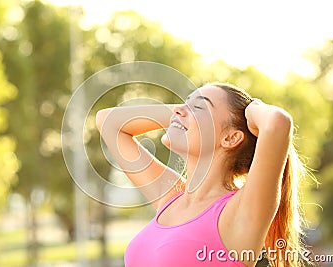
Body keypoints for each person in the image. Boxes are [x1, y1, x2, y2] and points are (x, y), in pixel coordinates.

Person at [96, 82, 306, 267]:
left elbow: (277, 123)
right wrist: (182, 113)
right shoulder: (171, 198)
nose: (180, 109)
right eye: (185, 103)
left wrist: (251, 107)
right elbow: (108, 122)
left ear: (231, 138)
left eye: (199, 107)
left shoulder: (238, 212)